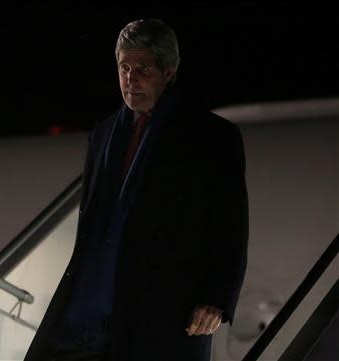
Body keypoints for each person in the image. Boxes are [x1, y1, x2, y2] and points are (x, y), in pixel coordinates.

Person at [24, 18, 248, 361]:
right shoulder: (102, 135)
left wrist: (217, 298)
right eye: (124, 67)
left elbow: (231, 226)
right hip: (89, 312)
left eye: (142, 68)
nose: (130, 78)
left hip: (164, 313)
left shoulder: (212, 137)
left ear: (168, 71)